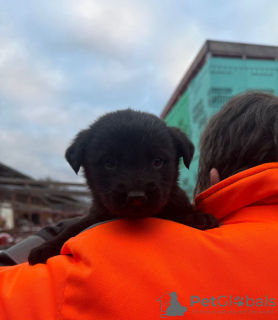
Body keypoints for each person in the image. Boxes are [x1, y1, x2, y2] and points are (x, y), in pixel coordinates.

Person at [1, 91, 278, 319]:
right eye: (110, 164)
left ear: (178, 160)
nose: (136, 190)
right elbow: (90, 222)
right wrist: (58, 238)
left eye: (157, 162)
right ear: (82, 164)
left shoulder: (187, 215)